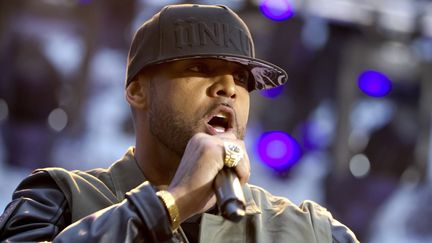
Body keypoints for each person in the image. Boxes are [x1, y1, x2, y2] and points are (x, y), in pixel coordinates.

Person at [0, 4, 358, 242]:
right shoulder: (60, 200)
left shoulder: (309, 231)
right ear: (138, 91)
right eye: (199, 68)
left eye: (241, 79)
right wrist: (173, 202)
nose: (228, 89)